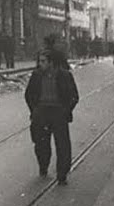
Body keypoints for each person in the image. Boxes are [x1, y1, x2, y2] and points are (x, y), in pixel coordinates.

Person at [24, 34, 79, 185]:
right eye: (39, 61)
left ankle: (62, 174)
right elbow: (28, 95)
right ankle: (43, 166)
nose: (40, 64)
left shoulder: (64, 76)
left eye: (43, 61)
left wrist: (66, 110)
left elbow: (74, 96)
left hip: (58, 113)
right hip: (41, 112)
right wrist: (34, 110)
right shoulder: (36, 75)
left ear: (51, 62)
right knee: (41, 143)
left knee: (62, 144)